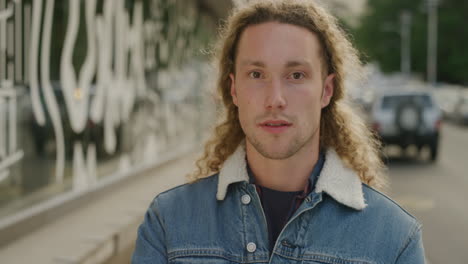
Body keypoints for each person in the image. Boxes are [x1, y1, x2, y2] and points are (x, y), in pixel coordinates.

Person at [132, 0, 426, 263]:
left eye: (296, 75)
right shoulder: (168, 224)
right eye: (257, 74)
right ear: (234, 89)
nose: (275, 99)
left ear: (326, 90)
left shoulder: (394, 240)